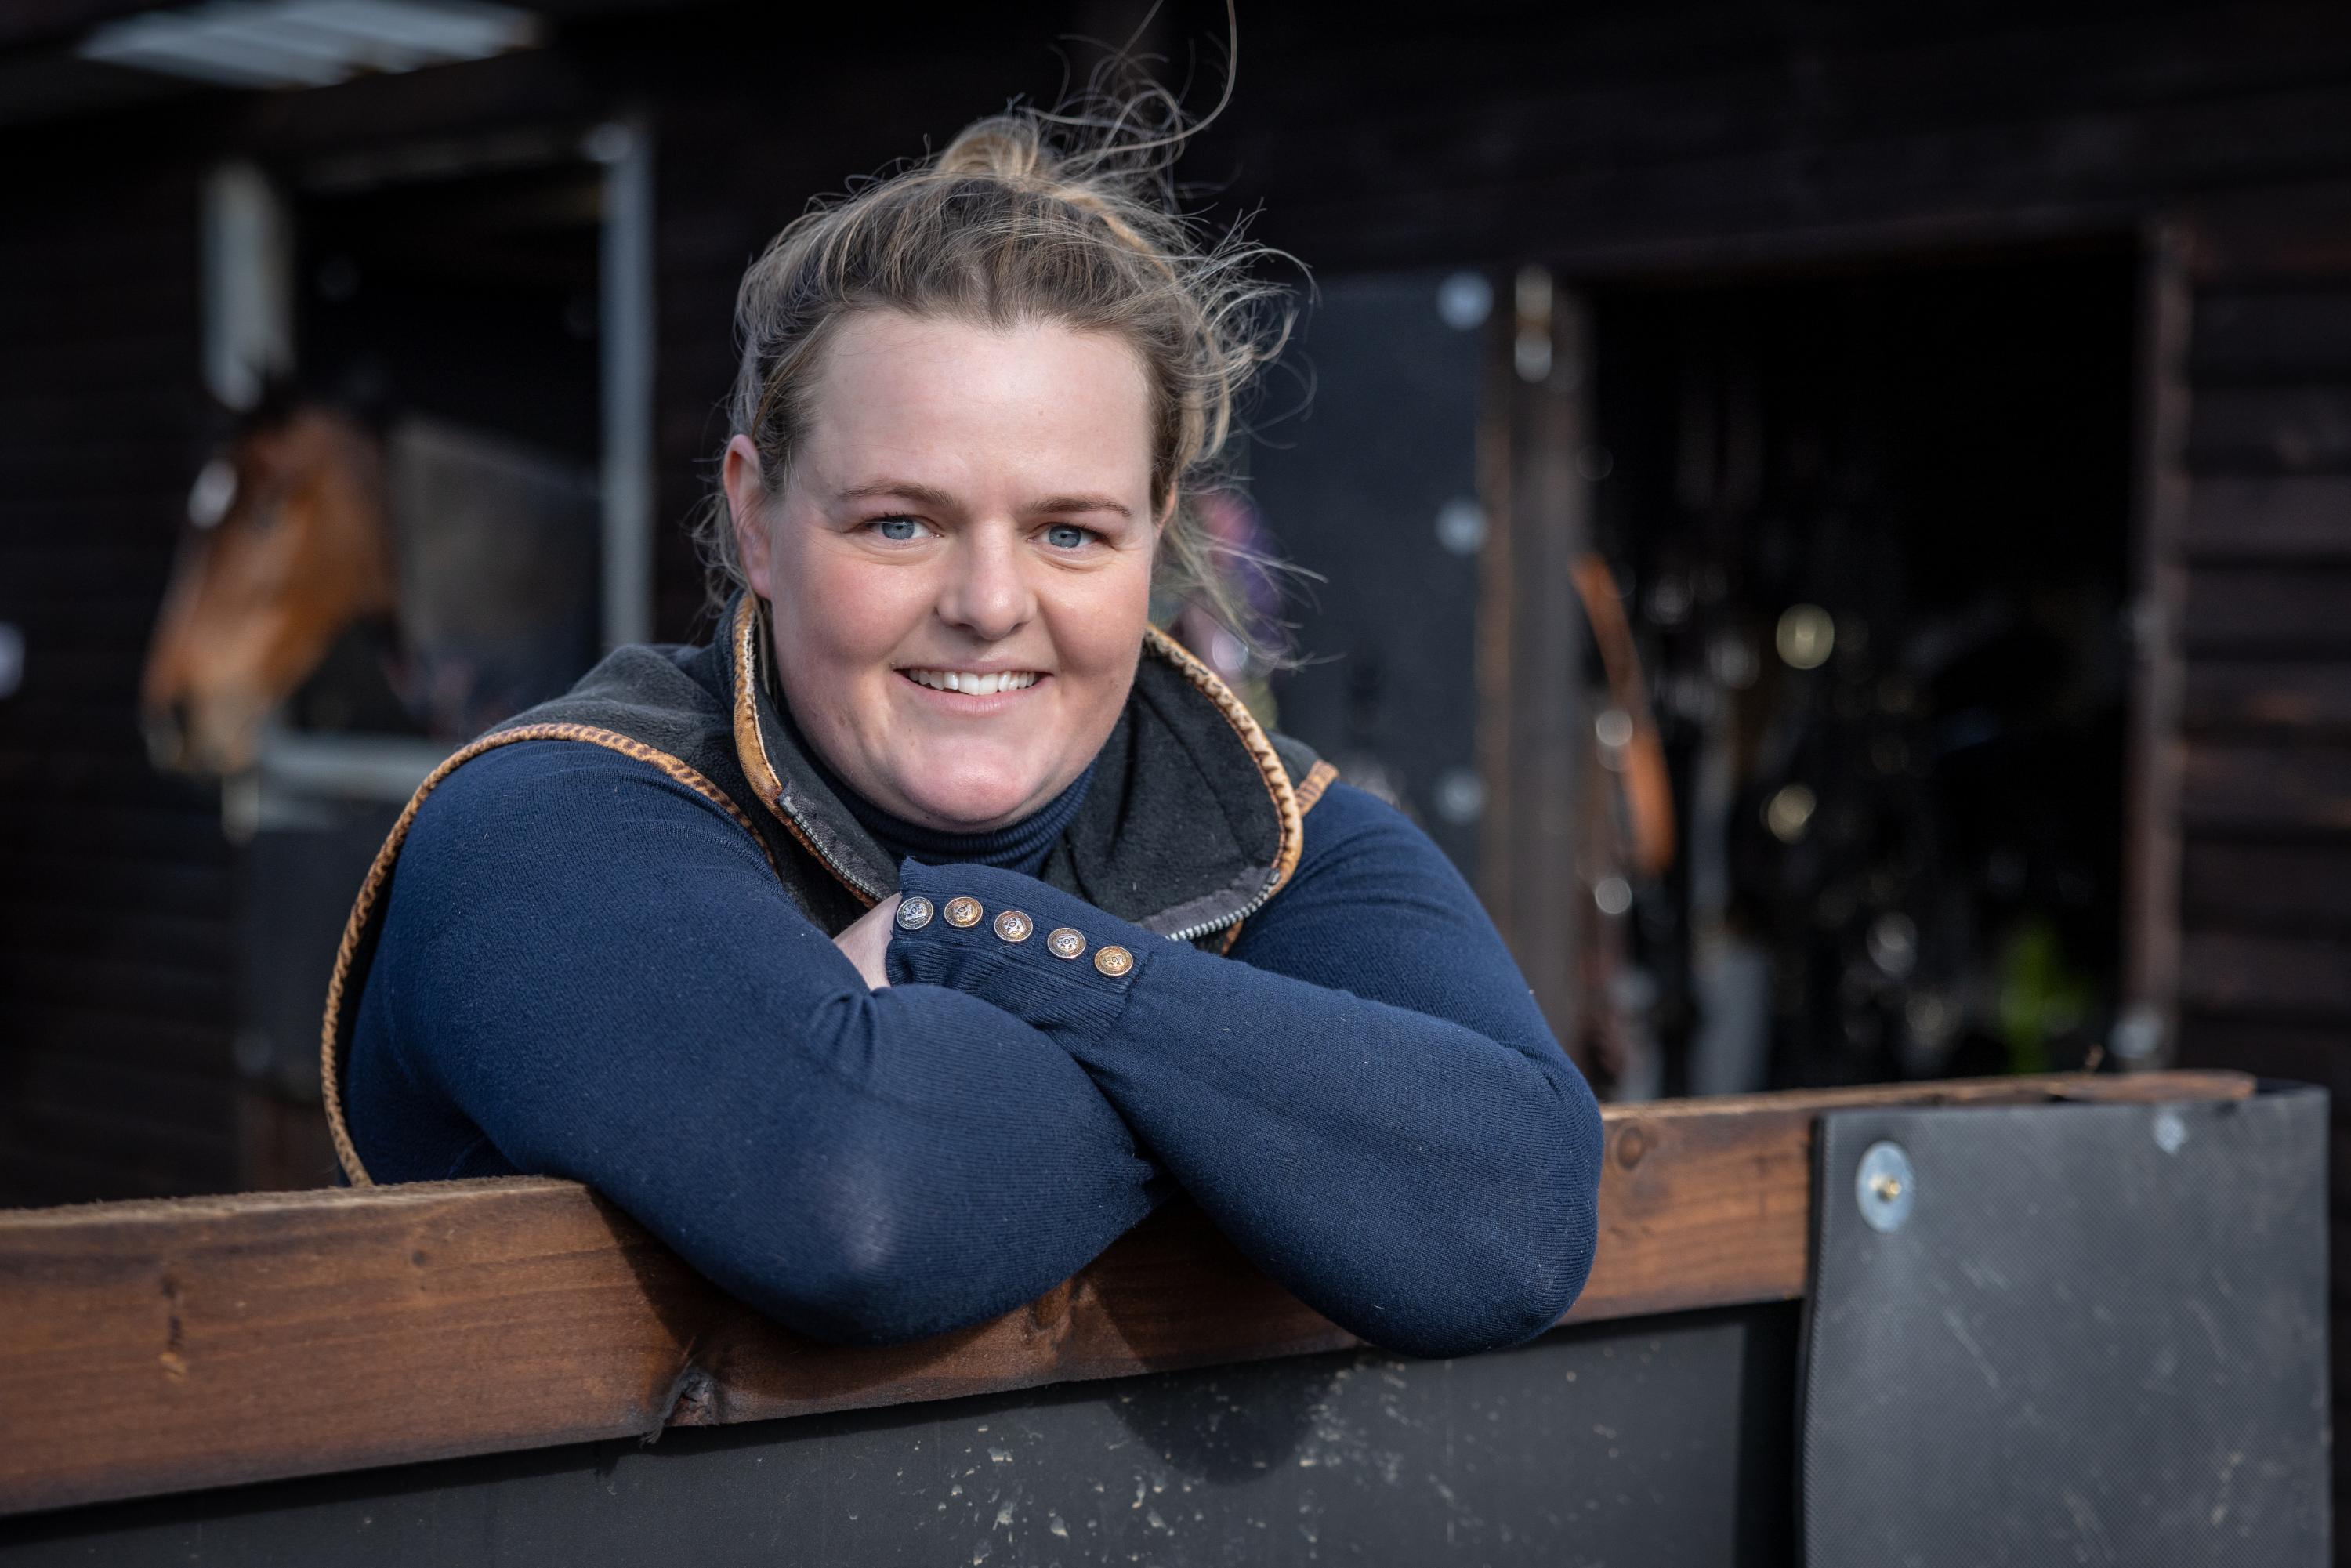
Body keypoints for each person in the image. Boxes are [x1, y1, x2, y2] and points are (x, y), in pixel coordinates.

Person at [324, 100, 1604, 1360]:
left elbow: (1518, 1210)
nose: (989, 604)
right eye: (901, 522)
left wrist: (972, 944)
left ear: (1156, 535)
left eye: (1070, 532)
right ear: (758, 518)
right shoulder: (542, 822)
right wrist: (1274, 1113)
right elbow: (858, 1198)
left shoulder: (1266, 824)